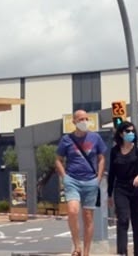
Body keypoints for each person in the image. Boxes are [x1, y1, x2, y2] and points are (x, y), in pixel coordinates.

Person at [55, 109, 108, 256]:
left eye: (86, 119)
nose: (84, 122)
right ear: (74, 122)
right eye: (81, 119)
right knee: (72, 211)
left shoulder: (95, 138)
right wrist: (64, 176)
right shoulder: (67, 139)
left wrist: (99, 177)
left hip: (91, 181)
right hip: (72, 180)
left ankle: (86, 252)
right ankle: (77, 246)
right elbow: (58, 160)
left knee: (88, 216)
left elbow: (101, 158)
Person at [107, 120, 138, 255]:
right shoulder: (114, 151)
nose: (131, 133)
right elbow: (112, 174)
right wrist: (109, 195)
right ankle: (122, 252)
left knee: (136, 222)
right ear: (121, 134)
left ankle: (137, 253)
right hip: (120, 188)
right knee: (123, 219)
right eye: (128, 131)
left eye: (133, 131)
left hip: (137, 189)